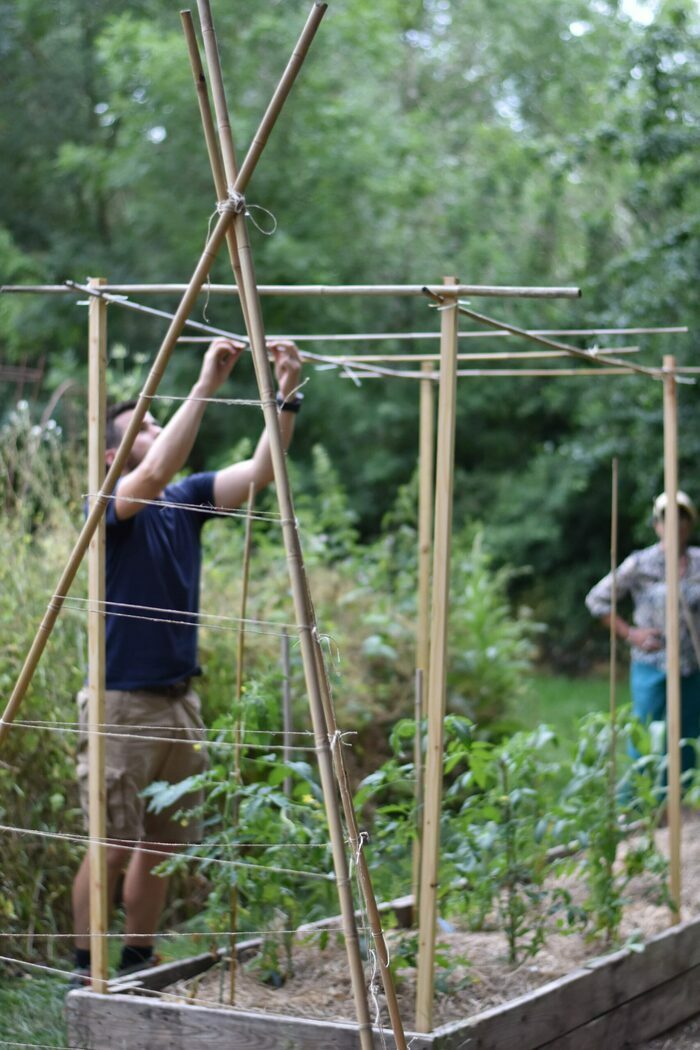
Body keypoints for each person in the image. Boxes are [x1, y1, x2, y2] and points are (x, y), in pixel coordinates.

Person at [71, 336, 302, 982]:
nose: (155, 426)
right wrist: (203, 383)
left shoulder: (186, 501)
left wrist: (287, 392)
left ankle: (138, 960)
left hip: (180, 701)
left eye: (155, 419)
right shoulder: (110, 507)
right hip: (122, 702)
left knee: (163, 846)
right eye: (143, 424)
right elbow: (151, 475)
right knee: (111, 845)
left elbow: (261, 471)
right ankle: (85, 970)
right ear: (115, 455)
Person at [585, 490, 700, 788]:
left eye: (682, 517)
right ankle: (640, 801)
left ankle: (679, 802)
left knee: (687, 735)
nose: (675, 524)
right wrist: (630, 633)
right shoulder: (641, 563)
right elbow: (597, 599)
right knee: (646, 731)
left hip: (691, 666)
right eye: (666, 518)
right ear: (656, 525)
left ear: (690, 523)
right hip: (652, 663)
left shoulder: (698, 563)